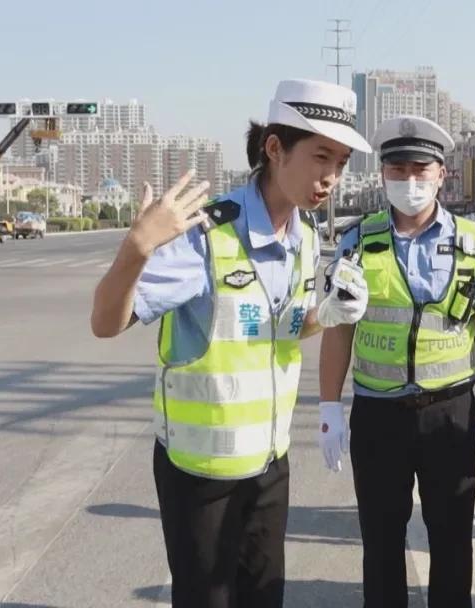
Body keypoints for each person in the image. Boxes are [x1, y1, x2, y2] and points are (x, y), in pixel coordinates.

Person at [90, 79, 372, 608]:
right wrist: (137, 248)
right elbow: (105, 323)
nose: (331, 177)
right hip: (200, 473)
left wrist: (326, 314)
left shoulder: (306, 236)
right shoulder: (206, 236)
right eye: (320, 157)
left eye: (341, 163)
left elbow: (283, 327)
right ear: (274, 148)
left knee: (265, 597)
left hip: (269, 465)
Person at [316, 115, 475, 608]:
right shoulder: (358, 241)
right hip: (378, 416)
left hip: (450, 413)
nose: (409, 181)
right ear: (383, 175)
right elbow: (339, 328)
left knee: (452, 539)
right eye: (398, 170)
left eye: (420, 169)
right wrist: (328, 406)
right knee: (381, 540)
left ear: (441, 174)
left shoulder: (474, 241)